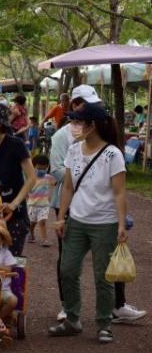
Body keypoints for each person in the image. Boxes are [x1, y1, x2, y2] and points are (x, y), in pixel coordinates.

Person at [49, 85, 145, 323]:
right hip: (75, 214)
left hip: (104, 218)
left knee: (105, 272)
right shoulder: (66, 142)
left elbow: (120, 191)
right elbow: (64, 180)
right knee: (68, 267)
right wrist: (62, 215)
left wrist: (121, 222)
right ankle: (70, 312)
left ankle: (109, 315)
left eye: (83, 120)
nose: (78, 124)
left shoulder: (112, 153)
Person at [0, 101, 35, 257]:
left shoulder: (16, 144)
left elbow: (31, 177)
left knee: (11, 263)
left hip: (13, 217)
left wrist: (14, 204)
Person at [27, 154, 57, 247]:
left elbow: (56, 183)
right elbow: (25, 191)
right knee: (32, 222)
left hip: (44, 205)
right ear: (33, 166)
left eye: (44, 168)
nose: (42, 170)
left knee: (42, 222)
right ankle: (31, 233)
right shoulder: (31, 178)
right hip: (32, 205)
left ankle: (44, 240)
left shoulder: (48, 177)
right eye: (39, 168)